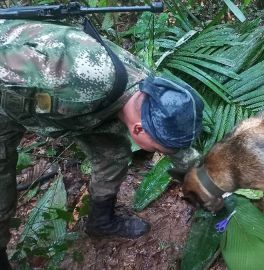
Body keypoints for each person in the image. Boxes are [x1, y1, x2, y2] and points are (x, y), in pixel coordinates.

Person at [0, 19, 203, 269]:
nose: (160, 153)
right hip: (8, 96)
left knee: (114, 155)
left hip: (74, 110)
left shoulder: (152, 94)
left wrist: (207, 184)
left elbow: (178, 148)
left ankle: (101, 221)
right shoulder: (80, 80)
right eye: (159, 149)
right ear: (138, 128)